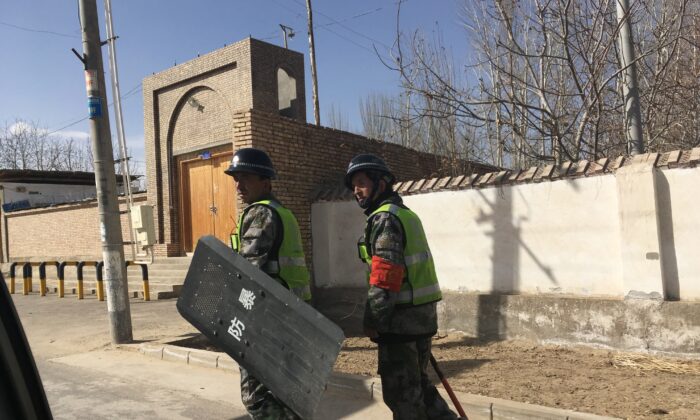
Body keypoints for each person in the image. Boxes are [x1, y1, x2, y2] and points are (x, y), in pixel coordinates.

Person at [345, 153, 458, 420]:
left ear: (381, 184)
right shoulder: (406, 214)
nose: (356, 191)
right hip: (420, 320)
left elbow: (385, 275)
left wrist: (374, 318)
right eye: (353, 186)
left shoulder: (384, 219)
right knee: (418, 387)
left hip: (400, 324)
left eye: (361, 183)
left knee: (402, 396)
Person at [225, 147, 311, 420]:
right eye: (235, 178)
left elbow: (248, 272)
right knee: (284, 394)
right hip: (290, 316)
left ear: (265, 181)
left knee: (257, 397)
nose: (238, 186)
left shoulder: (261, 214)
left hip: (268, 319)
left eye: (245, 178)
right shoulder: (282, 212)